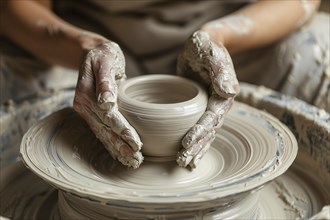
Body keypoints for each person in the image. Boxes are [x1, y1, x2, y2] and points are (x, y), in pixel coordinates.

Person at [1, 0, 328, 169]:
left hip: (224, 43)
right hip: (87, 48)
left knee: (315, 55)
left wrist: (219, 37)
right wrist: (85, 46)